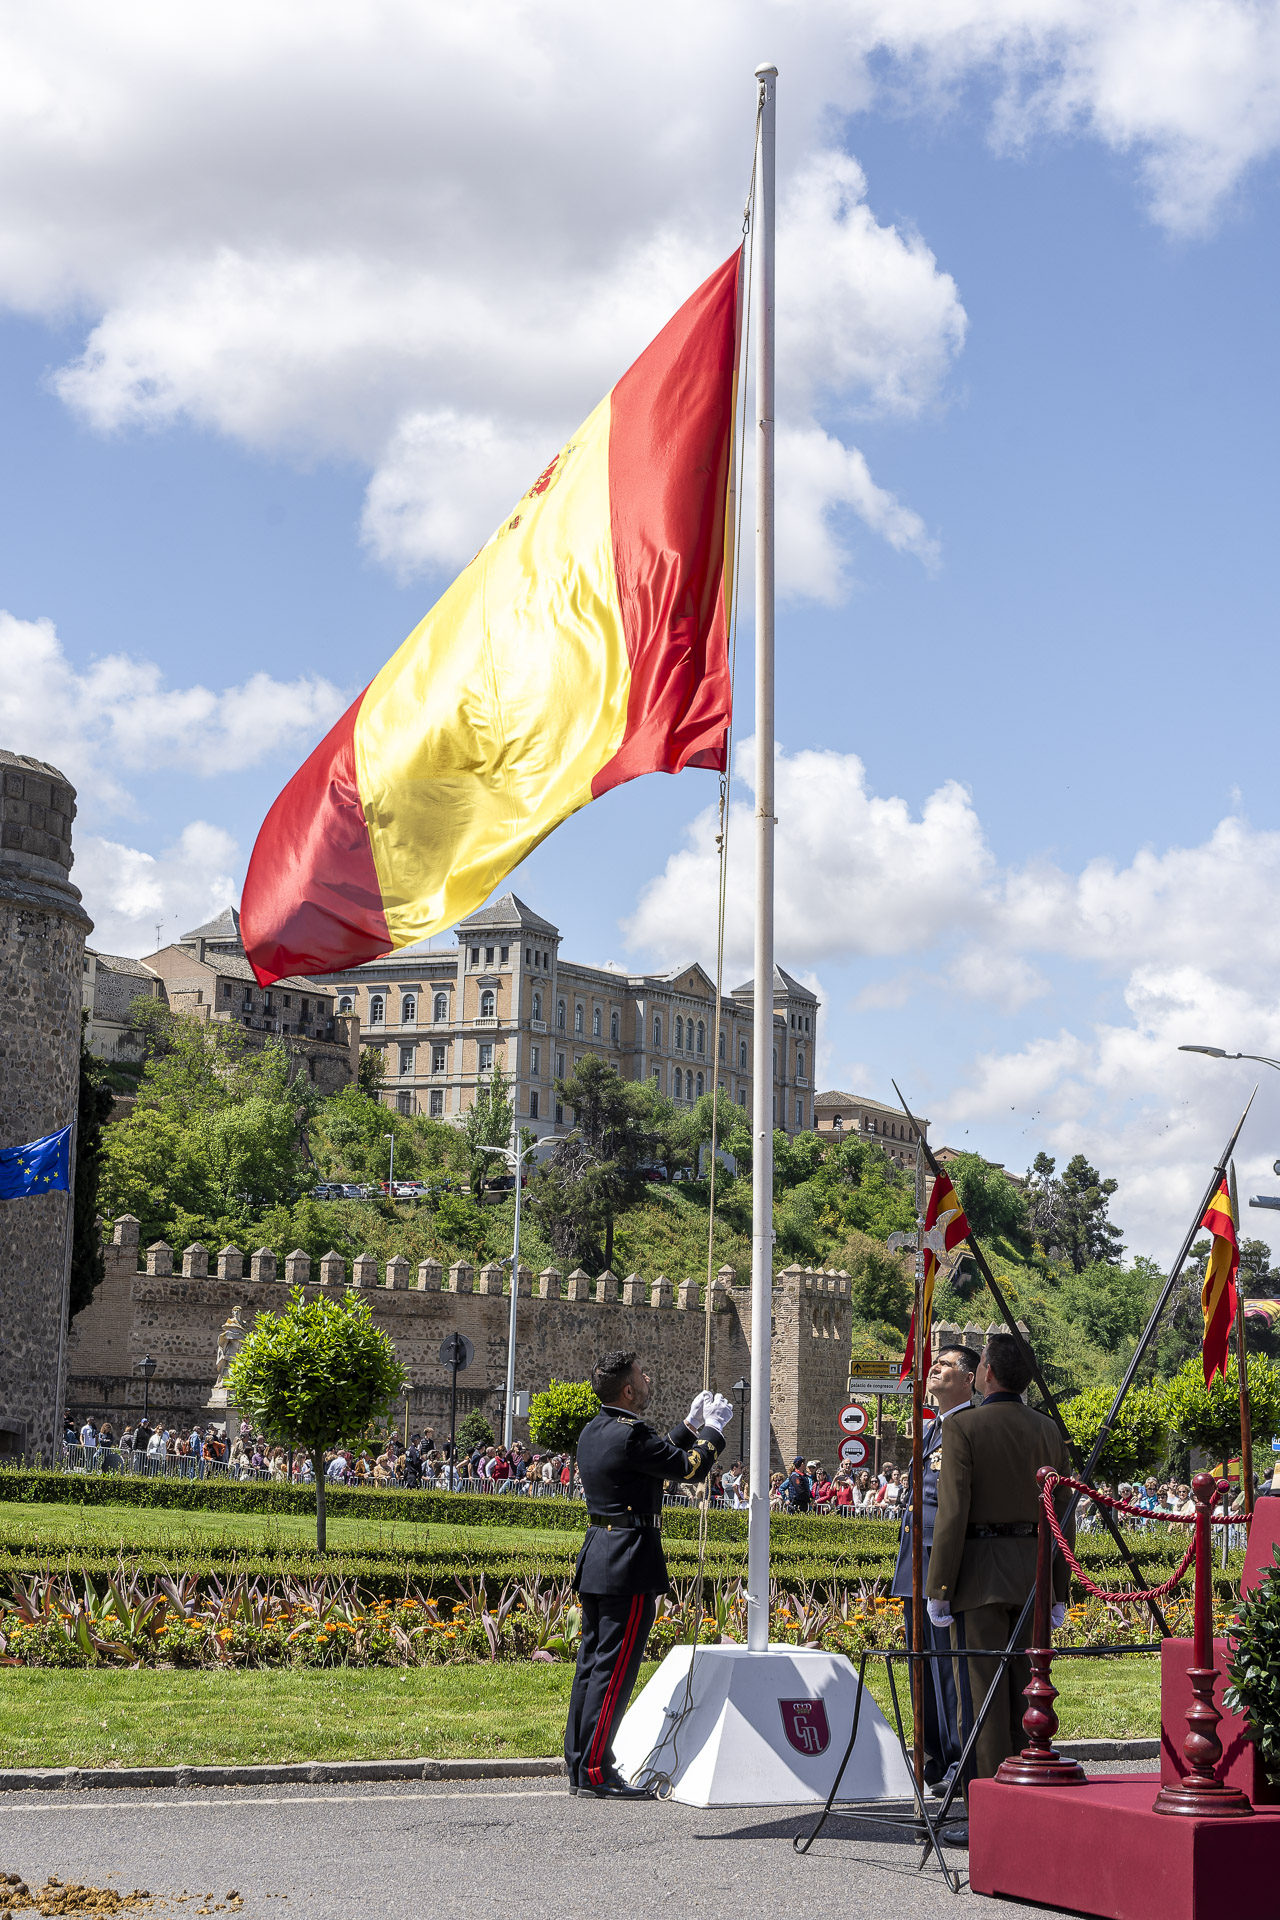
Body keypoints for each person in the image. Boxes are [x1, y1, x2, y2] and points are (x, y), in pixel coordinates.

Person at [563, 1351, 732, 1799]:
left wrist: (689, 1428)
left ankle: (581, 1762)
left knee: (591, 1666)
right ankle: (597, 1770)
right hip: (630, 1561)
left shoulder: (597, 1428)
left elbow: (648, 1461)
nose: (649, 1375)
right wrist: (713, 1430)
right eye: (642, 1373)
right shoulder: (633, 1434)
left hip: (601, 1554)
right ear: (628, 1390)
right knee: (614, 1671)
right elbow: (683, 1468)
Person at [926, 1332, 1073, 1790]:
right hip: (1032, 1573)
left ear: (985, 1373)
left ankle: (988, 1805)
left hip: (979, 1577)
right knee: (1025, 1690)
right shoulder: (1048, 1428)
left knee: (980, 1699)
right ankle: (1025, 1789)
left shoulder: (963, 1427)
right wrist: (1059, 1585)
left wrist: (941, 1588)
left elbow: (953, 1513)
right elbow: (1062, 1512)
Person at [890, 1343, 978, 1798]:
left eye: (945, 1365)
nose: (934, 1370)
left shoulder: (969, 1427)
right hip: (915, 1560)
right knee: (919, 1666)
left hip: (940, 1564)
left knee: (948, 1669)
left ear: (969, 1379)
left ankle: (958, 1759)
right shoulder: (932, 1429)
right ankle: (930, 1758)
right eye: (934, 1364)